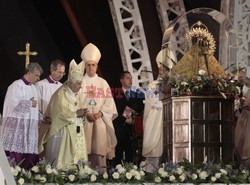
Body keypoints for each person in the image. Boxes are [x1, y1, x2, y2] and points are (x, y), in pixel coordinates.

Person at [39, 59, 88, 169]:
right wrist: (76, 113)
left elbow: (78, 110)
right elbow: (60, 113)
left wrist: (83, 114)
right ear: (71, 82)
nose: (80, 87)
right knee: (63, 163)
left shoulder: (76, 93)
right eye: (78, 84)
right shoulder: (61, 94)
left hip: (77, 130)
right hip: (63, 130)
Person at [79, 43, 117, 172]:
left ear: (97, 66)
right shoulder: (80, 82)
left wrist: (100, 113)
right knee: (83, 150)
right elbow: (75, 101)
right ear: (85, 66)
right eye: (88, 65)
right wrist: (86, 112)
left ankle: (101, 176)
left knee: (99, 151)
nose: (90, 67)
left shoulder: (102, 82)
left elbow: (109, 102)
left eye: (93, 65)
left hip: (99, 120)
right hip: (84, 120)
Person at [1, 62, 43, 169]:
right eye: (37, 75)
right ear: (29, 73)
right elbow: (13, 106)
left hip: (29, 130)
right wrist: (29, 103)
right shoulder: (16, 86)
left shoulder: (34, 88)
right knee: (15, 156)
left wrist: (40, 116)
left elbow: (33, 110)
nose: (38, 78)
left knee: (30, 156)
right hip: (17, 129)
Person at [142, 48, 172, 173]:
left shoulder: (174, 85)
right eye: (161, 69)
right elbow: (150, 100)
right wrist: (163, 102)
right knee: (154, 146)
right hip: (155, 118)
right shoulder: (152, 85)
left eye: (166, 69)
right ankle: (150, 172)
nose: (163, 72)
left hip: (169, 117)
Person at [112, 71, 144, 166]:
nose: (130, 80)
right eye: (127, 78)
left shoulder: (137, 94)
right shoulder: (115, 94)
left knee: (131, 155)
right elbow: (113, 111)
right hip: (119, 129)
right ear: (121, 80)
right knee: (118, 155)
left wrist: (135, 117)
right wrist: (125, 120)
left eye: (131, 78)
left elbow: (141, 110)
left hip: (133, 132)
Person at [234, 69, 250, 163]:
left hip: (247, 118)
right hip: (243, 117)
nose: (242, 79)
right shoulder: (240, 87)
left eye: (243, 77)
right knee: (239, 140)